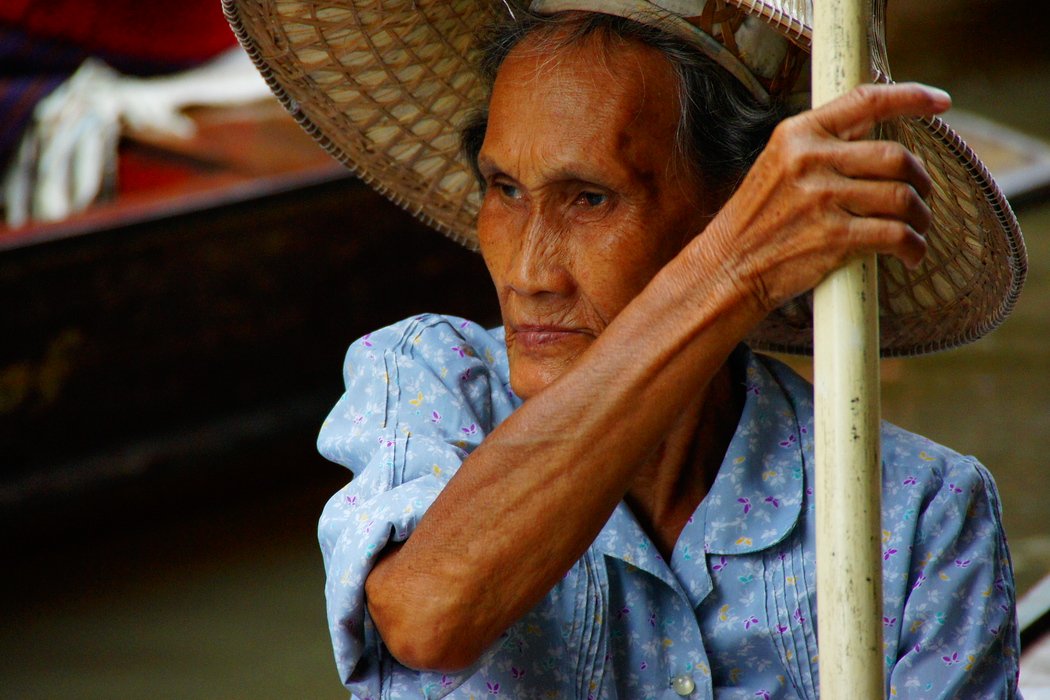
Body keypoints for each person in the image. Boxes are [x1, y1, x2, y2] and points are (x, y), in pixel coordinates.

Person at [225, 1, 1027, 697]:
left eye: (590, 199)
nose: (530, 273)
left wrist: (729, 267)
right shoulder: (428, 381)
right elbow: (430, 617)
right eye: (504, 190)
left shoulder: (918, 512)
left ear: (735, 206)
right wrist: (727, 271)